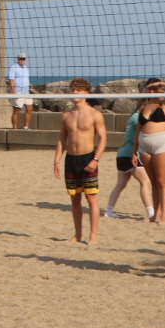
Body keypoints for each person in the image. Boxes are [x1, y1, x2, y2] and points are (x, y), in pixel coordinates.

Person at [53, 77, 107, 244]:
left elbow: (103, 139)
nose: (75, 92)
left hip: (87, 158)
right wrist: (56, 161)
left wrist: (96, 159)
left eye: (78, 89)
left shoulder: (94, 114)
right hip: (71, 159)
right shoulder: (66, 115)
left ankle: (93, 236)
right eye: (73, 89)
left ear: (86, 92)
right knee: (75, 198)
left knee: (91, 198)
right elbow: (62, 139)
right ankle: (78, 235)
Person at [132, 78, 165, 226]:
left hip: (161, 143)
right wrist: (134, 151)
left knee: (162, 181)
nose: (153, 91)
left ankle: (163, 216)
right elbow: (138, 129)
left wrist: (163, 84)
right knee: (153, 182)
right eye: (150, 88)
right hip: (144, 146)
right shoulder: (145, 105)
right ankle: (155, 215)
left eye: (155, 88)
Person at [105, 101, 154, 220]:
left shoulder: (132, 116)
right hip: (130, 154)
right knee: (145, 182)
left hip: (122, 153)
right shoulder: (137, 118)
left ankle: (109, 210)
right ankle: (151, 212)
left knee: (121, 184)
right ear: (143, 107)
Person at [9, 52, 33, 130]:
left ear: (25, 60)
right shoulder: (14, 68)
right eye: (20, 59)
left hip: (26, 93)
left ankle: (26, 127)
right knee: (16, 110)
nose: (22, 60)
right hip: (18, 93)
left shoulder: (26, 68)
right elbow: (11, 80)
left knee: (30, 108)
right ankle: (15, 129)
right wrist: (14, 91)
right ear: (18, 59)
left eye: (23, 59)